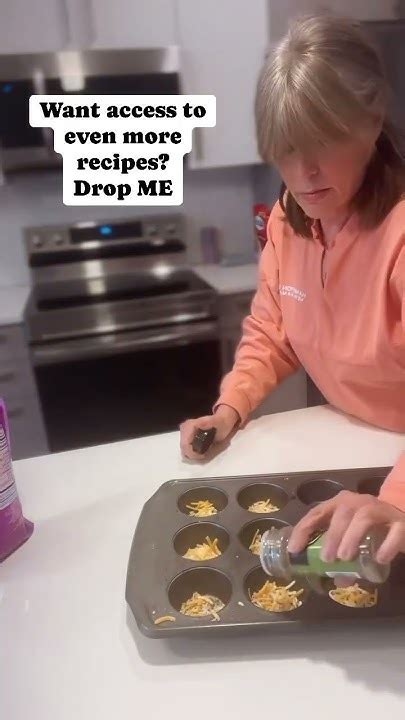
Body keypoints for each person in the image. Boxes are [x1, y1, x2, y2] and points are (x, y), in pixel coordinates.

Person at [180, 14, 405, 566]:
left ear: (372, 120)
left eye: (324, 142)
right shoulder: (289, 218)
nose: (303, 172)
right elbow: (272, 329)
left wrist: (397, 501)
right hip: (347, 440)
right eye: (286, 148)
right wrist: (231, 408)